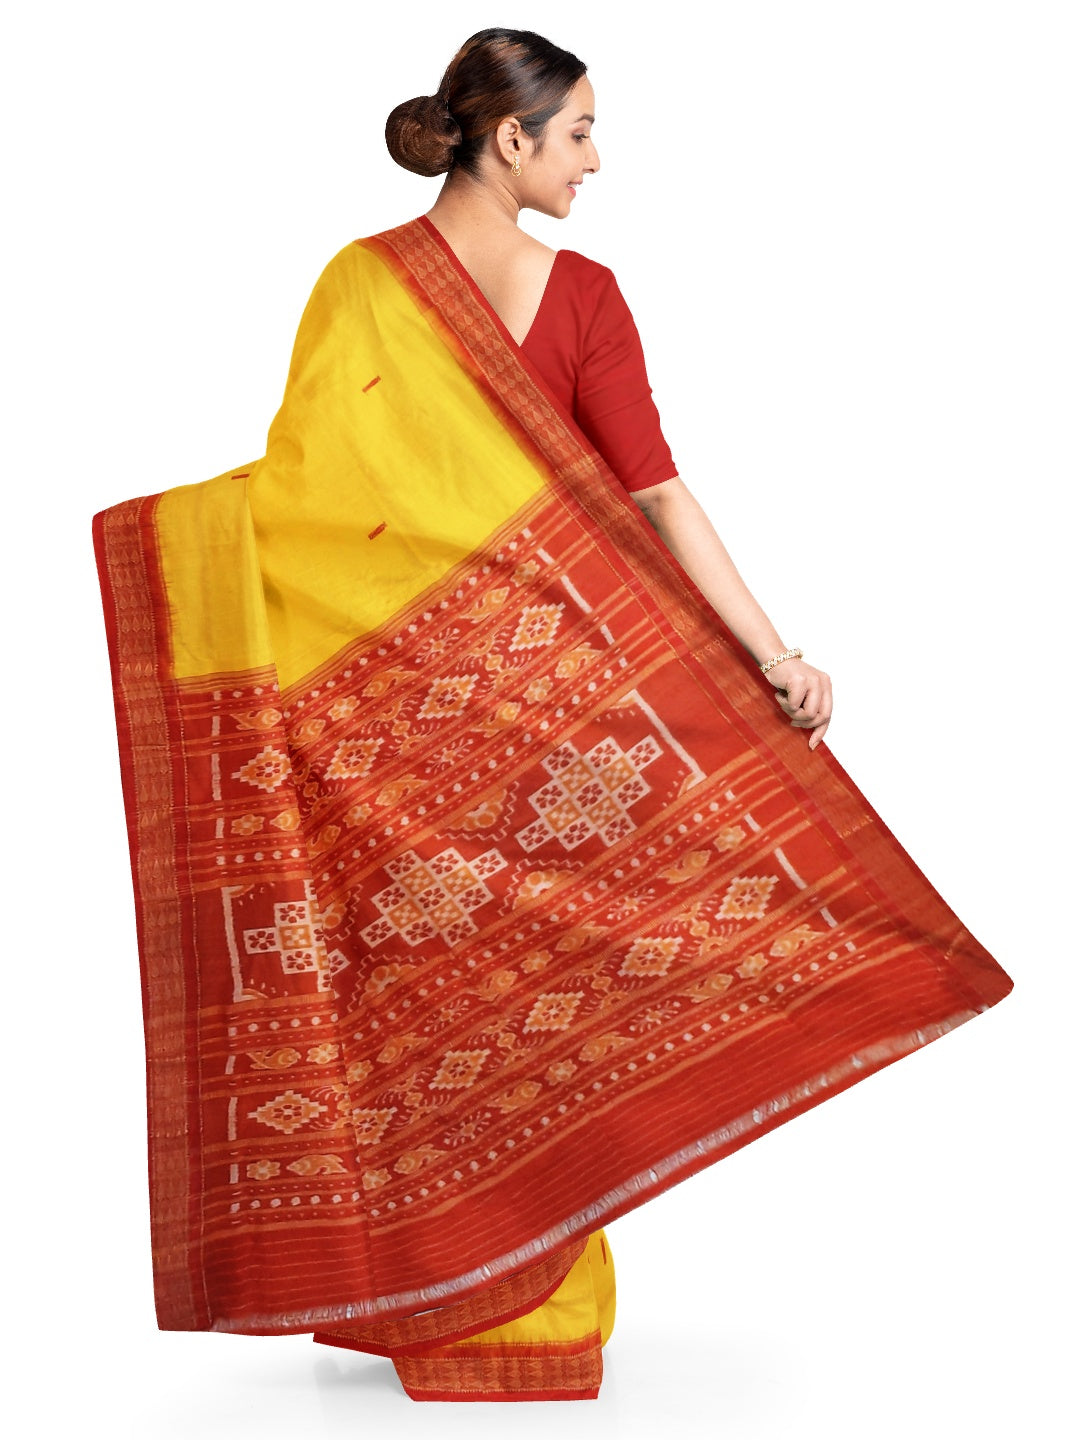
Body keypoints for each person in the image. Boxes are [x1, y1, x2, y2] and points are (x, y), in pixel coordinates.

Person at [92, 26, 1012, 1405]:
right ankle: (475, 1295)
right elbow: (621, 493)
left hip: (449, 730)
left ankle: (476, 1292)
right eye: (578, 132)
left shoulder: (432, 284)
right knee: (515, 999)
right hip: (537, 708)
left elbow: (305, 512)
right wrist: (768, 650)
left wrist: (773, 654)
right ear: (508, 137)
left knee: (461, 996)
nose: (596, 159)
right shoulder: (426, 289)